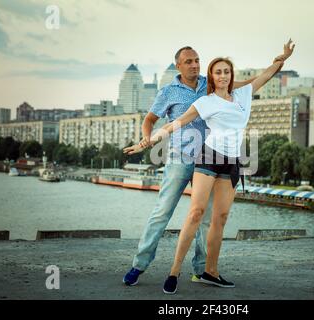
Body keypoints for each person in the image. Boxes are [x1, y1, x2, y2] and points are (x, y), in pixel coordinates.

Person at [125, 39, 295, 294]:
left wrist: (278, 61)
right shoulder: (168, 92)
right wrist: (146, 139)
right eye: (189, 62)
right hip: (180, 158)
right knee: (162, 213)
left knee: (205, 218)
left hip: (211, 160)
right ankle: (139, 265)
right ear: (178, 65)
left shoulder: (211, 84)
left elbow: (250, 84)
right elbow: (152, 120)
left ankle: (201, 269)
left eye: (197, 61)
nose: (194, 65)